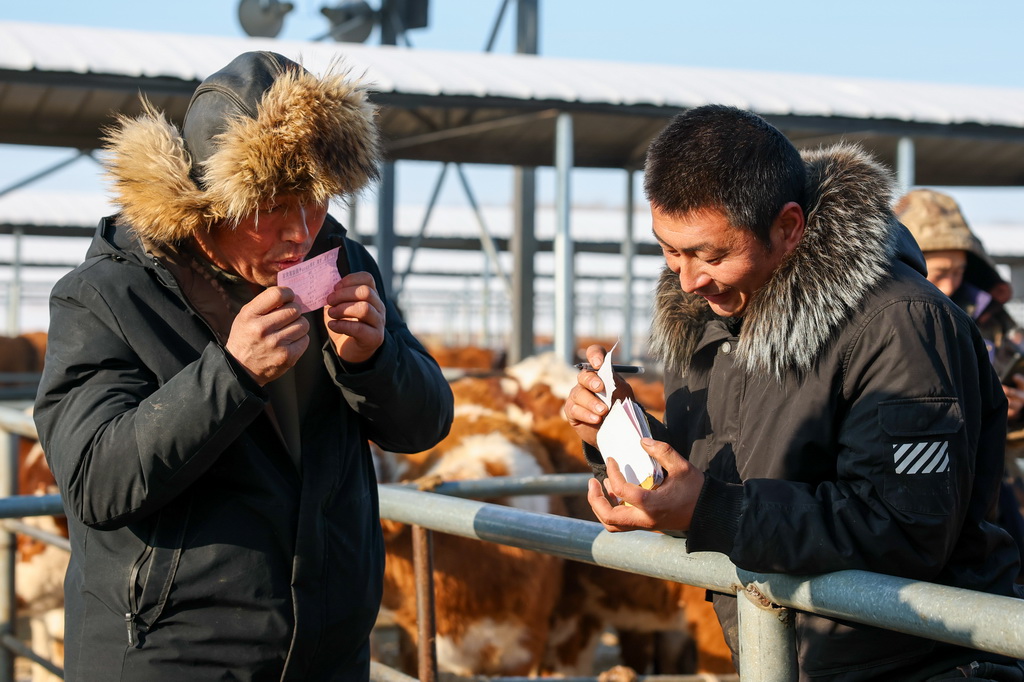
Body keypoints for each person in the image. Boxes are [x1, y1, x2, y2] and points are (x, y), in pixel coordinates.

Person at [33, 51, 453, 681]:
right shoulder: (108, 295)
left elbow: (425, 426)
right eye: (274, 207)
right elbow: (95, 481)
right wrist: (229, 375)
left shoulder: (342, 262)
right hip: (177, 657)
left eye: (315, 201)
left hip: (327, 652)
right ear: (211, 201)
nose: (301, 232)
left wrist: (374, 359)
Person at [564, 105, 1022, 681]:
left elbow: (908, 528)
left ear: (787, 227)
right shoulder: (708, 316)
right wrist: (624, 433)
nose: (686, 279)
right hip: (783, 653)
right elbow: (731, 475)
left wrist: (708, 509)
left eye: (711, 254)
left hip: (911, 663)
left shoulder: (901, 324)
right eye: (669, 250)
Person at [896, 188, 1024, 580]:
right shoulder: (886, 320)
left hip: (995, 495)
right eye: (938, 273)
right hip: (916, 503)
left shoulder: (994, 321)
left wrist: (1013, 413)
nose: (950, 287)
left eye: (958, 271)